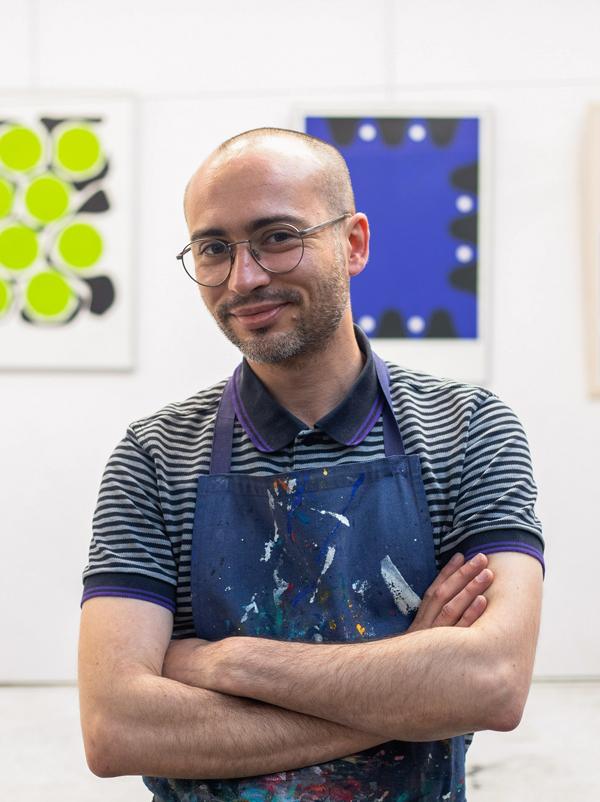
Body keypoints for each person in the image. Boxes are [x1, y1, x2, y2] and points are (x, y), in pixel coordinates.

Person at [78, 127, 544, 802]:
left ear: (352, 243)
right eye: (214, 248)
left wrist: (225, 662)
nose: (245, 278)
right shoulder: (154, 458)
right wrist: (409, 691)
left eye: (277, 237)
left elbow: (492, 683)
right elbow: (115, 728)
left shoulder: (468, 431)